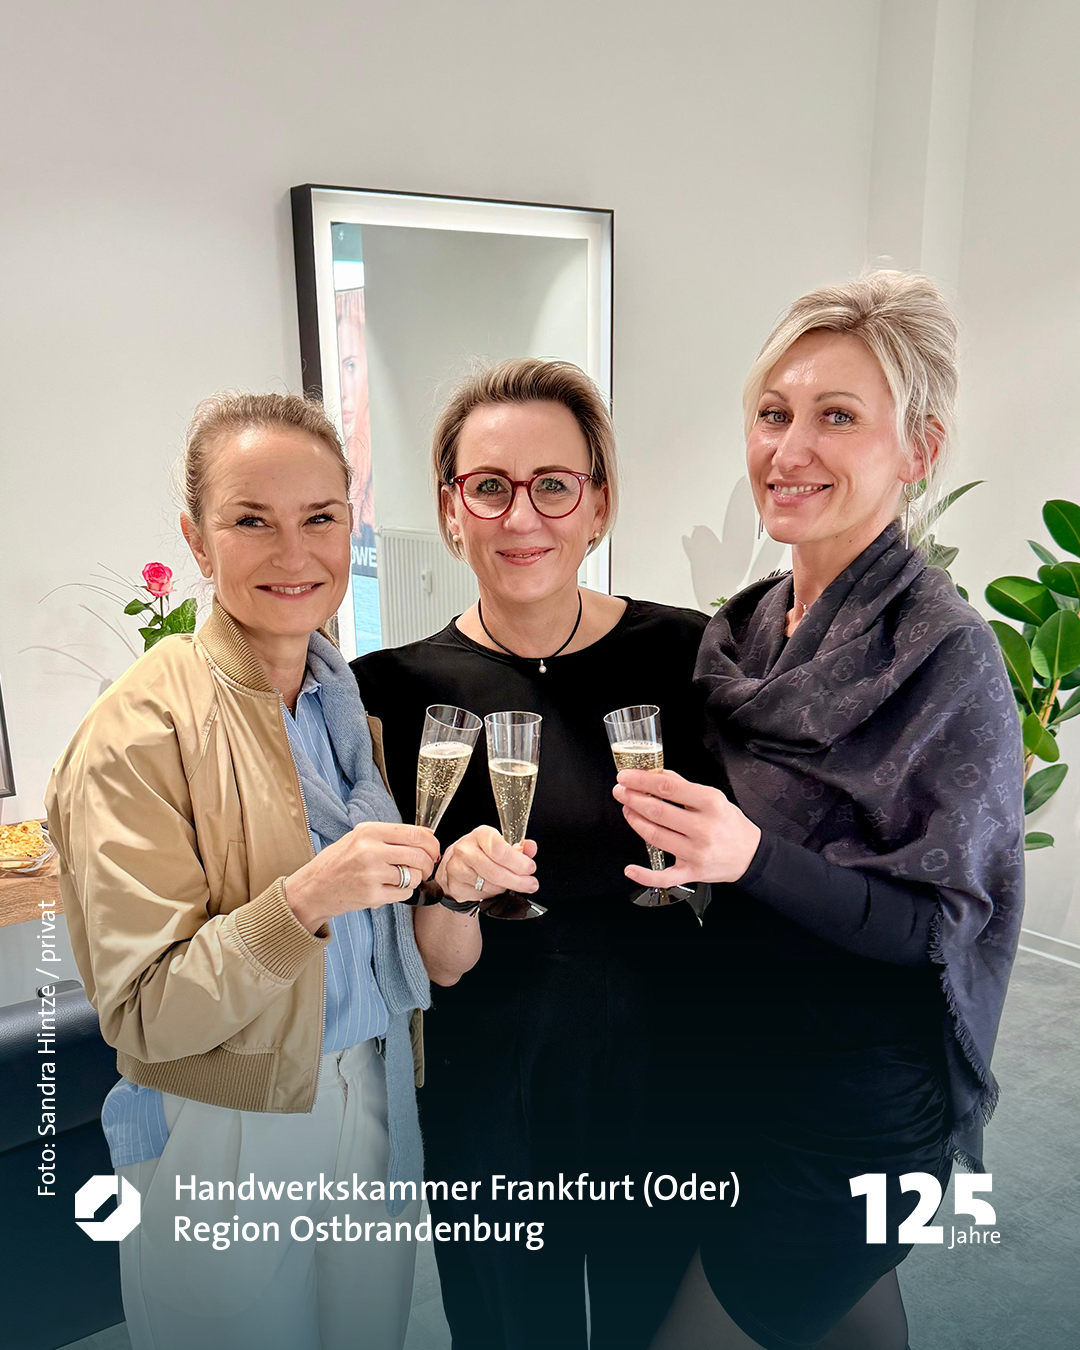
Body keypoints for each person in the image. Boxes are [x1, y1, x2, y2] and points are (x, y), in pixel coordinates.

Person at [614, 272, 1026, 1350]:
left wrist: (750, 855)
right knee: (847, 1315)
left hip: (855, 1108)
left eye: (837, 416)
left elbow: (941, 928)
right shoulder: (743, 633)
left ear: (919, 449)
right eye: (773, 413)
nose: (788, 449)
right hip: (740, 1068)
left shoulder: (948, 655)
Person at [46, 392, 440, 1350]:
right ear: (196, 538)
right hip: (223, 1127)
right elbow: (145, 1009)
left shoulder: (345, 706)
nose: (294, 553)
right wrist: (305, 900)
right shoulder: (138, 732)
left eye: (321, 517)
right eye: (251, 521)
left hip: (372, 1089)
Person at [352, 358, 721, 1350]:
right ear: (451, 509)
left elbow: (744, 877)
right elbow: (423, 956)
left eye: (554, 484)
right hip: (488, 1094)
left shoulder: (690, 657)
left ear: (598, 504)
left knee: (660, 1328)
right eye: (489, 486)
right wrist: (453, 889)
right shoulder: (388, 693)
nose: (522, 516)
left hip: (666, 1075)